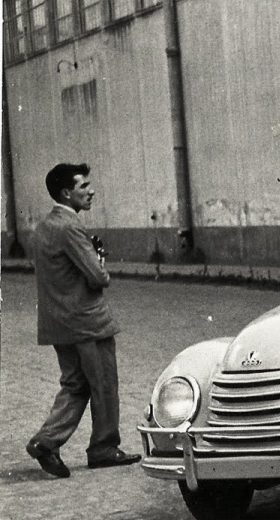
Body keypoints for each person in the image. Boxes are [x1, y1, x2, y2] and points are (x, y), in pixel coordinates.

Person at [27, 163, 140, 479]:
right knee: (103, 384)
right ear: (67, 193)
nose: (91, 191)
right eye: (84, 186)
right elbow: (98, 277)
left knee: (75, 384)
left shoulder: (43, 228)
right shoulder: (71, 227)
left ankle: (45, 441)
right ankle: (103, 448)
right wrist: (99, 260)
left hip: (58, 323)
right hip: (88, 322)